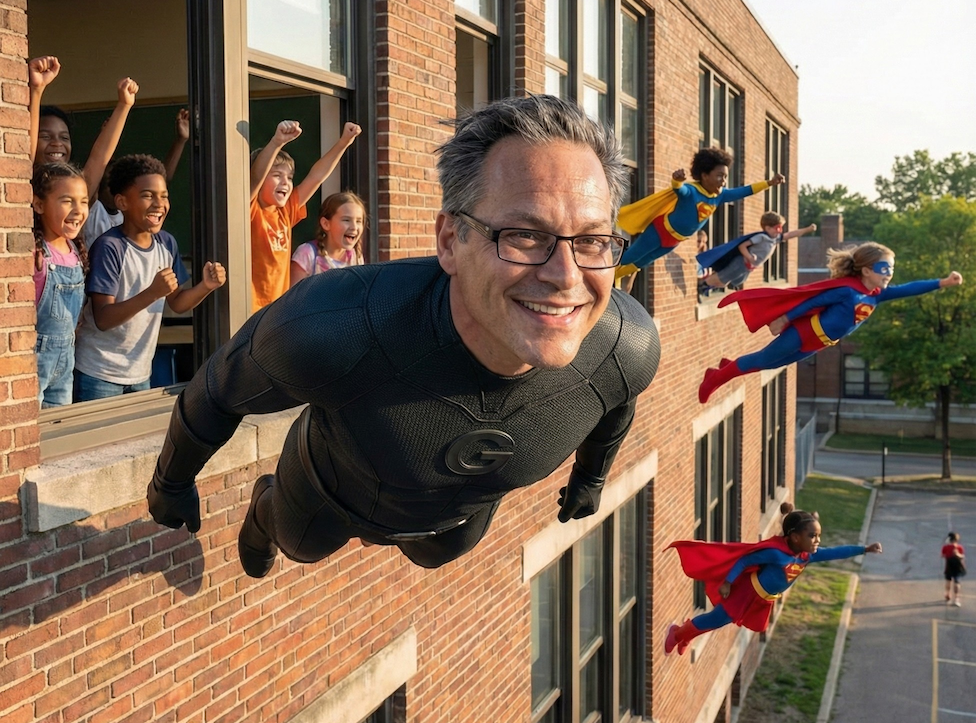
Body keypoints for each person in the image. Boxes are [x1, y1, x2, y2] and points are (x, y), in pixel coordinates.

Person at [147, 95, 661, 579]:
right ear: (450, 240)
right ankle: (265, 508)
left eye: (592, 240)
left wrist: (591, 479)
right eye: (524, 236)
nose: (567, 277)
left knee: (436, 555)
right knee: (302, 546)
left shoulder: (625, 346)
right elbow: (216, 389)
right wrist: (170, 482)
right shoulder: (335, 325)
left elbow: (618, 400)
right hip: (330, 489)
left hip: (451, 520)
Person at [698, 242, 964, 403]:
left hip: (819, 343)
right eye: (885, 269)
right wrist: (784, 319)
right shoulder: (848, 290)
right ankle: (715, 378)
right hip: (804, 334)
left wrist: (942, 283)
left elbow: (909, 288)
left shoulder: (876, 295)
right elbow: (812, 301)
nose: (889, 275)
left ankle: (728, 368)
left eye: (892, 269)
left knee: (772, 364)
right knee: (762, 359)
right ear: (867, 270)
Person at [73, 154, 226, 401]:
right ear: (122, 202)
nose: (159, 203)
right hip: (98, 372)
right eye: (147, 195)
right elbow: (103, 318)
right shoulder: (109, 246)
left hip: (140, 372)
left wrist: (205, 287)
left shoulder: (167, 243)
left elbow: (177, 302)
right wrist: (152, 293)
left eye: (164, 196)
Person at [664, 503, 882, 655]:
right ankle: (679, 634)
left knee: (720, 621)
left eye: (818, 536)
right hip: (745, 593)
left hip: (763, 598)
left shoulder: (807, 556)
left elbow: (836, 551)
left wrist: (864, 549)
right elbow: (744, 561)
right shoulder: (776, 554)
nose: (818, 541)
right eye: (812, 536)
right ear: (795, 537)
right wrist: (728, 582)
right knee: (718, 619)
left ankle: (687, 634)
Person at [613, 148, 785, 280]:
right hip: (660, 231)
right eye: (719, 176)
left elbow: (744, 191)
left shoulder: (720, 195)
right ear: (704, 175)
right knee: (632, 255)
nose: (723, 181)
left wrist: (769, 183)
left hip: (675, 240)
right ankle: (606, 273)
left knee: (643, 262)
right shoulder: (692, 191)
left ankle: (614, 278)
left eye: (725, 177)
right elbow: (680, 189)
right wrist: (677, 181)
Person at [250, 120, 362, 310]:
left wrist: (344, 142)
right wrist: (277, 142)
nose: (285, 182)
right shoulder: (251, 210)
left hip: (276, 311)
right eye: (277, 175)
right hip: (250, 309)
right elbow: (255, 178)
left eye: (290, 177)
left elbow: (316, 177)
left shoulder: (285, 212)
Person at [28, 55, 139, 207]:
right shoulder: (23, 185)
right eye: (46, 136)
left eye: (64, 138)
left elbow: (99, 159)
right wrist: (36, 90)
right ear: (39, 205)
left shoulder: (78, 188)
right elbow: (27, 156)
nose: (57, 143)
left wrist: (124, 105)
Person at [84, 108, 191, 247]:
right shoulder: (93, 209)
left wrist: (180, 141)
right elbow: (96, 166)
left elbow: (160, 178)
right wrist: (106, 136)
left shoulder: (129, 214)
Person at [31, 163, 89, 407]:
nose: (78, 210)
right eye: (67, 201)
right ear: (39, 204)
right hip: (35, 363)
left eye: (84, 201)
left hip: (66, 361)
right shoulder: (36, 254)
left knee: (57, 428)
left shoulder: (75, 250)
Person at [698, 213, 816, 293]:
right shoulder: (761, 237)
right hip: (741, 263)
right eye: (777, 228)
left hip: (748, 268)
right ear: (767, 228)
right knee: (722, 277)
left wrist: (807, 229)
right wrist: (749, 256)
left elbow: (791, 234)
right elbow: (742, 246)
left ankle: (707, 285)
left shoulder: (775, 239)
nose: (779, 231)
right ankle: (703, 285)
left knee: (729, 282)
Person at [290, 190, 367, 285]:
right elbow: (294, 297)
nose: (354, 227)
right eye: (346, 220)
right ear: (326, 224)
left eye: (359, 221)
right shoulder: (307, 253)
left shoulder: (355, 256)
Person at [942, 532, 965, 607]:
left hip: (949, 566)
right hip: (957, 567)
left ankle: (947, 594)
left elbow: (943, 555)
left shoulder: (945, 547)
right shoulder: (959, 547)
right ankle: (956, 598)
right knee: (957, 582)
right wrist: (957, 554)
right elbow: (962, 556)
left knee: (948, 580)